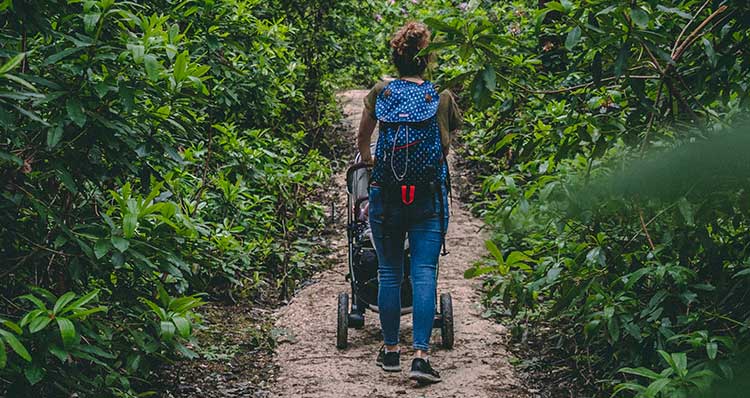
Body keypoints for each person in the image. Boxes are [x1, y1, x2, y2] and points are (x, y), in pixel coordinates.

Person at [356, 21, 462, 384]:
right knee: (423, 274)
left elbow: (363, 138)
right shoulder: (440, 97)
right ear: (426, 61)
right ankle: (420, 356)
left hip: (387, 194)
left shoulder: (381, 93)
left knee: (388, 273)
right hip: (427, 198)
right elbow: (446, 145)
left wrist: (369, 159)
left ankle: (389, 352)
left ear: (396, 59)